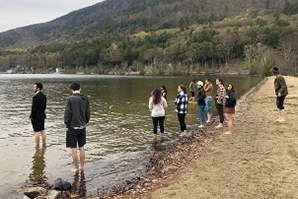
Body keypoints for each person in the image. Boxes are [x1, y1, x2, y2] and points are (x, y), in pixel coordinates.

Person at [64, 83, 90, 173]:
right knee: (81, 147)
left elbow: (67, 114)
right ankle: (82, 167)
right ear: (80, 89)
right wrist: (85, 122)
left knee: (73, 148)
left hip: (72, 127)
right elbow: (88, 113)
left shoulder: (70, 99)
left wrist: (67, 125)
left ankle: (76, 168)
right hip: (82, 126)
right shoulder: (85, 99)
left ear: (72, 90)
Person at [30, 83, 47, 147]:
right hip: (42, 115)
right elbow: (44, 106)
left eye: (34, 87)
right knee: (42, 130)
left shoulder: (35, 97)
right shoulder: (44, 96)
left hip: (36, 116)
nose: (33, 88)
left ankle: (37, 145)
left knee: (36, 131)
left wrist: (32, 116)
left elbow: (34, 108)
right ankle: (44, 144)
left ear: (38, 88)